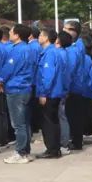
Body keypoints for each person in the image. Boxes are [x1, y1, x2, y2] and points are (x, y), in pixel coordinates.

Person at [0, 23, 35, 164]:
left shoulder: (18, 50)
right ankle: (25, 151)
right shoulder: (29, 48)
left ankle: (20, 152)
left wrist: (0, 80)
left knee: (18, 124)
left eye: (12, 32)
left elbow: (9, 68)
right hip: (25, 88)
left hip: (16, 88)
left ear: (17, 35)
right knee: (24, 122)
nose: (10, 34)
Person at [35, 26, 67, 159]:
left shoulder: (49, 54)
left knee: (48, 122)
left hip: (50, 93)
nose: (38, 38)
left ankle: (52, 149)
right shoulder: (54, 52)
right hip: (55, 92)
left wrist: (43, 93)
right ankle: (55, 148)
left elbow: (48, 76)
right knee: (53, 121)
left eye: (41, 35)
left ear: (46, 38)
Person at [62, 20, 91, 152]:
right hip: (76, 85)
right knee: (74, 115)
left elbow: (70, 69)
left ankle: (76, 141)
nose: (64, 31)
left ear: (75, 32)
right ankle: (76, 140)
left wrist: (66, 87)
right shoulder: (76, 46)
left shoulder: (75, 48)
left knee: (74, 116)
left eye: (68, 29)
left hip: (74, 87)